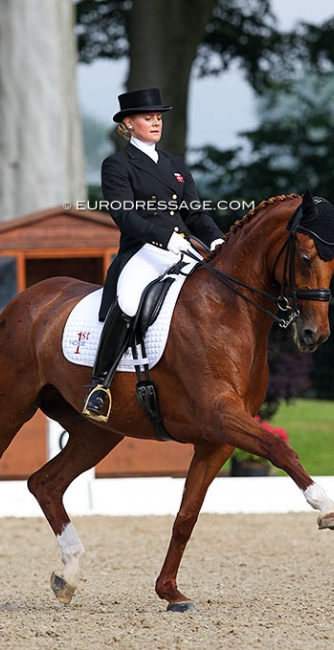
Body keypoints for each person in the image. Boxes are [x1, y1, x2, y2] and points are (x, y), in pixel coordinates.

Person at [83, 87, 225, 420]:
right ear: (129, 123)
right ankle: (99, 387)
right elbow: (125, 216)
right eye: (148, 118)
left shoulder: (175, 164)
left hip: (183, 249)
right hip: (142, 251)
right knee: (130, 302)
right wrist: (165, 238)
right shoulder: (117, 165)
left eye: (159, 118)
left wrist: (218, 240)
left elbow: (195, 213)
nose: (156, 123)